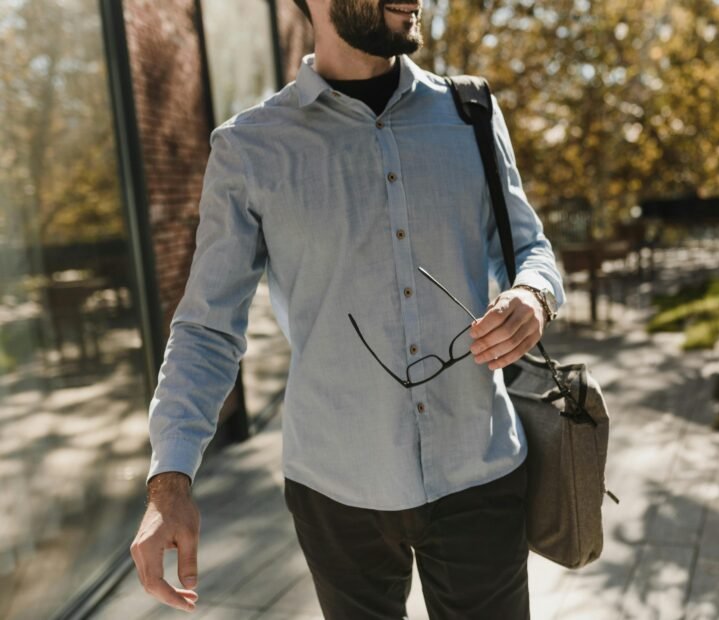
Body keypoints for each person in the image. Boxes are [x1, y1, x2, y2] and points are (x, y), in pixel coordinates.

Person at [130, 0, 565, 617]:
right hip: (336, 493)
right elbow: (206, 328)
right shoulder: (249, 148)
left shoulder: (470, 113)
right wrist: (169, 479)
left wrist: (534, 294)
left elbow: (530, 248)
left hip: (480, 468)